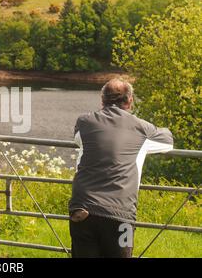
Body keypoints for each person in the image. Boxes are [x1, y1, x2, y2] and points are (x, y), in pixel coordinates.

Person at [69, 78, 173, 258]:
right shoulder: (143, 128)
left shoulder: (84, 122)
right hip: (121, 214)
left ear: (102, 100)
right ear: (130, 100)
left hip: (82, 208)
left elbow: (78, 139)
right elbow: (168, 142)